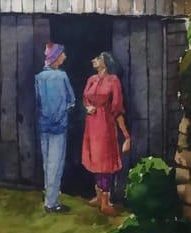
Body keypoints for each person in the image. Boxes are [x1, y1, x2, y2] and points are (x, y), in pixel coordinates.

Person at [82, 51, 131, 217]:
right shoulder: (91, 79)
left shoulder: (113, 80)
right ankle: (98, 196)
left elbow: (117, 108)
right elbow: (85, 98)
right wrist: (87, 107)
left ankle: (105, 201)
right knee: (96, 160)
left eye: (98, 58)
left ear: (106, 62)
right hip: (92, 124)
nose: (93, 60)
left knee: (105, 163)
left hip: (105, 124)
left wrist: (126, 135)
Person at [34, 42, 75, 214]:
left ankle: (50, 197)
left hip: (44, 125)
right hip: (59, 126)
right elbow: (71, 100)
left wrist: (46, 114)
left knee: (47, 163)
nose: (64, 56)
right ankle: (51, 202)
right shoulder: (62, 76)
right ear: (56, 57)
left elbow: (37, 102)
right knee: (56, 164)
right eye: (62, 54)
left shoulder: (39, 77)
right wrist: (62, 112)